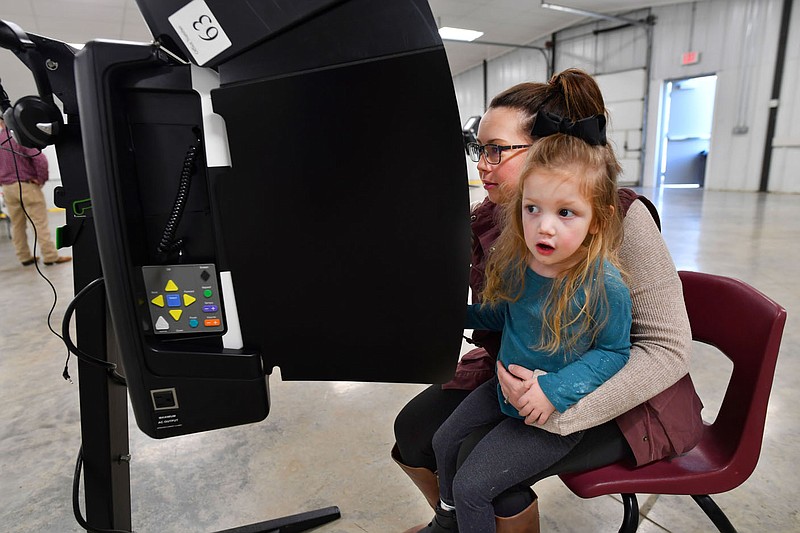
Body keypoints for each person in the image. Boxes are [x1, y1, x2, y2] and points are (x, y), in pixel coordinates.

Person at [392, 69, 704, 533]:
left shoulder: (619, 217)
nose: (482, 163)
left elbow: (665, 349)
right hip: (521, 370)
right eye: (479, 149)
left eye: (497, 149)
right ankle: (452, 522)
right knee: (416, 432)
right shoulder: (498, 217)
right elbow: (508, 309)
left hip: (616, 397)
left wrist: (557, 400)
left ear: (546, 151)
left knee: (480, 463)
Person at [420, 110, 632, 533]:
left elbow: (615, 351)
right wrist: (450, 315)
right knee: (442, 442)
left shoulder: (605, 286)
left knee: (474, 486)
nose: (544, 227)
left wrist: (552, 390)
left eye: (566, 213)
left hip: (551, 415)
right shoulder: (526, 265)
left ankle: (463, 515)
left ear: (599, 220)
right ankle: (449, 522)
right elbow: (502, 314)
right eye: (532, 209)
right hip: (504, 388)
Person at [0, 117, 71, 267]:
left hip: (7, 189)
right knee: (39, 223)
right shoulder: (18, 136)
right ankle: (50, 256)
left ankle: (24, 257)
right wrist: (40, 179)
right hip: (27, 186)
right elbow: (40, 159)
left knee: (16, 225)